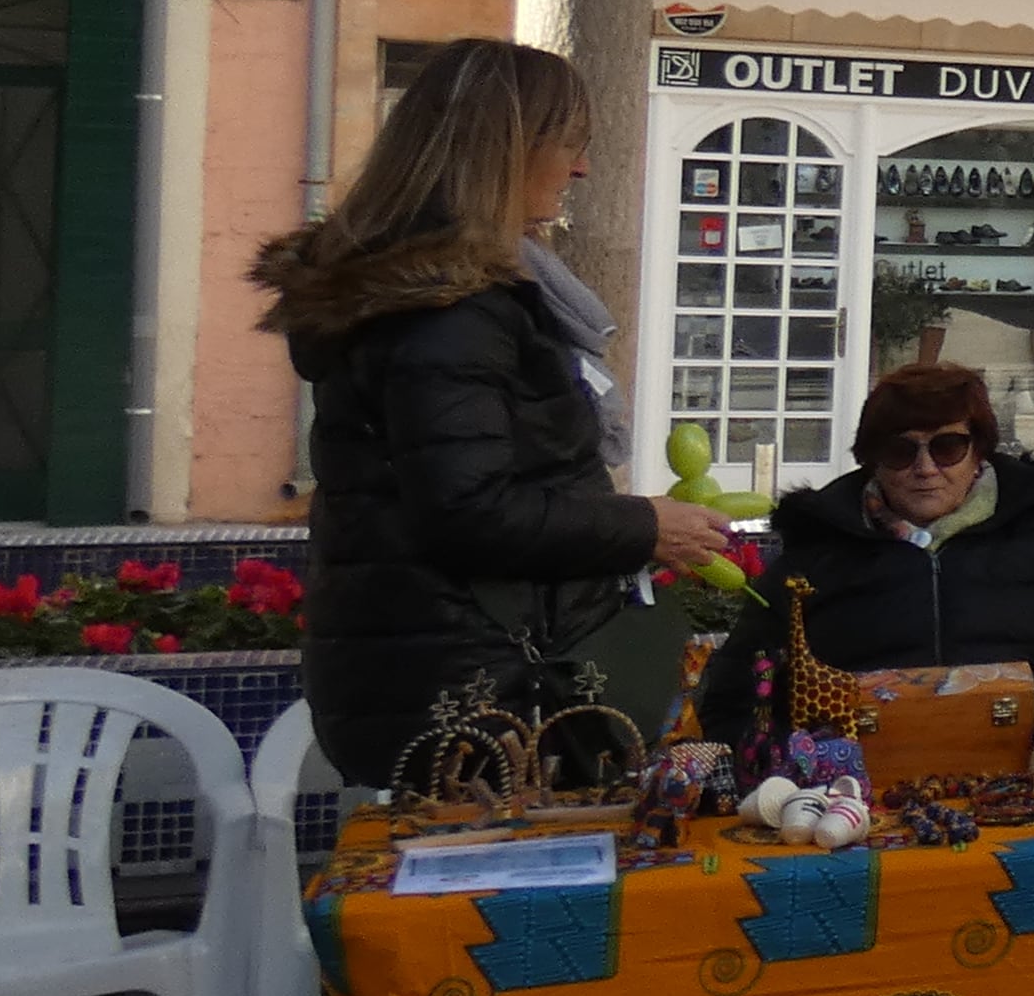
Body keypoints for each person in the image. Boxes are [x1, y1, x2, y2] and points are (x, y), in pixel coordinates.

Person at [257, 39, 738, 788]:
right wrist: (644, 526)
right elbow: (469, 510)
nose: (580, 169)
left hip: (454, 681)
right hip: (485, 701)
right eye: (568, 145)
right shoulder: (449, 311)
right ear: (505, 151)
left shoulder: (439, 297)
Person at [698, 360, 1034, 735]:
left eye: (948, 447)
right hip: (855, 796)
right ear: (872, 461)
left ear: (979, 454)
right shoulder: (814, 558)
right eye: (901, 451)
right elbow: (733, 694)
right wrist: (796, 762)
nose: (925, 468)